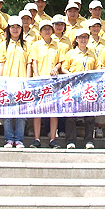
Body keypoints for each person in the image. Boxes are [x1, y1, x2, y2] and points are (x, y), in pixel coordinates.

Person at [0, 16, 32, 148]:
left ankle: (19, 139)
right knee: (7, 113)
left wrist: (27, 81)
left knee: (21, 113)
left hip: (22, 83)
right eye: (13, 27)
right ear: (8, 29)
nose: (15, 29)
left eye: (18, 27)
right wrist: (0, 82)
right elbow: (1, 64)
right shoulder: (3, 45)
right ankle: (9, 139)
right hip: (7, 82)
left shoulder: (26, 44)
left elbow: (29, 64)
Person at [29, 20, 64, 149]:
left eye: (49, 28)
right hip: (40, 82)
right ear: (40, 31)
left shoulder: (57, 45)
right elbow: (34, 62)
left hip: (53, 82)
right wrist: (37, 77)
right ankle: (36, 139)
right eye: (44, 29)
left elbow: (60, 61)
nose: (47, 31)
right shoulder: (36, 45)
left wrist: (56, 67)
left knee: (53, 111)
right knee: (38, 111)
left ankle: (53, 139)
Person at [61, 28, 97, 149]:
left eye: (85, 37)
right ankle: (70, 141)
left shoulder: (92, 53)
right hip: (74, 87)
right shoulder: (70, 53)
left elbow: (96, 69)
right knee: (71, 116)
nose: (83, 40)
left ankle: (89, 140)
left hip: (88, 88)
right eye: (80, 37)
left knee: (89, 116)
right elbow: (64, 68)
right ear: (76, 39)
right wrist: (73, 76)